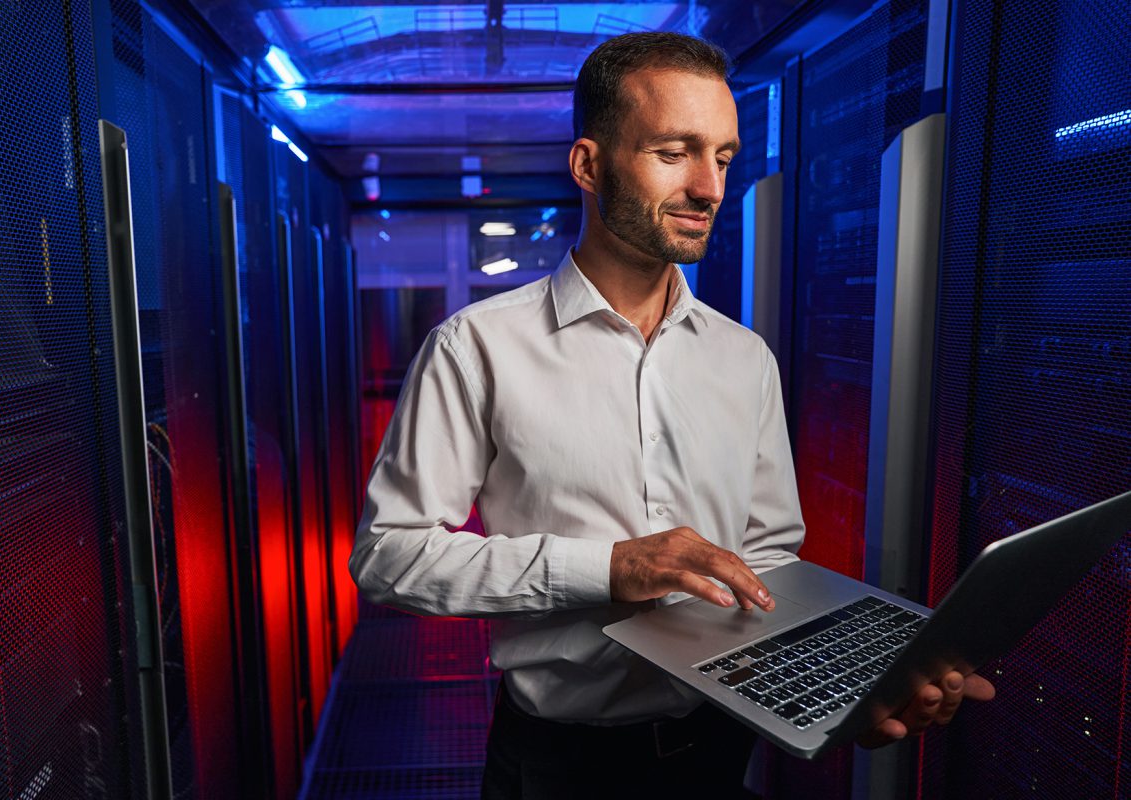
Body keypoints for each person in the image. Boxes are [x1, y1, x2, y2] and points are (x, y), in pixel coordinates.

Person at [349, 31, 993, 798]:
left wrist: (848, 688)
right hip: (558, 765)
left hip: (717, 751)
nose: (710, 187)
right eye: (673, 152)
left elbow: (767, 565)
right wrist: (611, 568)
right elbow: (389, 555)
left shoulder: (744, 357)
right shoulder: (475, 348)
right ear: (589, 165)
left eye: (721, 156)